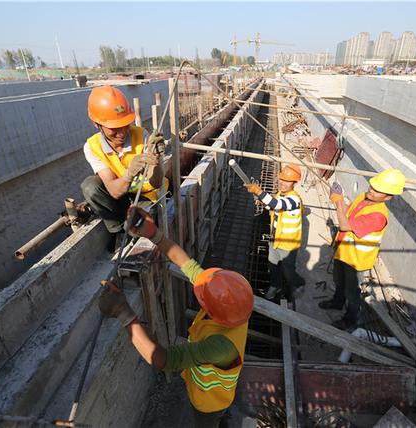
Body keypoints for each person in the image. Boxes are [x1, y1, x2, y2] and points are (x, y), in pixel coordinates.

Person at [98, 206, 254, 428]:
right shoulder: (236, 307)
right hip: (208, 389)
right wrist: (154, 234)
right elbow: (187, 264)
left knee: (207, 422)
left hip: (208, 404)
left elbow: (162, 360)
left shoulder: (220, 346)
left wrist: (123, 313)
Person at [318, 169, 405, 330]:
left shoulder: (378, 216)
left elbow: (344, 225)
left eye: (378, 190)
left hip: (356, 261)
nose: (371, 190)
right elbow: (347, 213)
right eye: (372, 186)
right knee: (338, 281)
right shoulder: (363, 197)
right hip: (343, 251)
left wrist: (338, 202)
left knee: (352, 292)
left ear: (388, 197)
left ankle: (350, 319)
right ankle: (337, 302)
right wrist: (340, 199)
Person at [81, 85, 167, 239]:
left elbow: (156, 183)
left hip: (144, 196)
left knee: (147, 217)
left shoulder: (142, 136)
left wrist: (156, 161)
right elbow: (114, 191)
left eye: (125, 125)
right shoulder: (92, 147)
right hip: (120, 194)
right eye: (114, 128)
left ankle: (132, 230)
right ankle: (119, 231)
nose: (121, 133)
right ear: (96, 123)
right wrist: (130, 173)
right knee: (90, 186)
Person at [245, 164, 305, 300]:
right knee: (272, 266)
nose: (283, 183)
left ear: (294, 183)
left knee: (288, 270)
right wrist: (258, 195)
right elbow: (271, 205)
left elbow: (277, 205)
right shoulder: (279, 194)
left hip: (288, 244)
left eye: (288, 181)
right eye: (282, 179)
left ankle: (298, 284)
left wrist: (260, 192)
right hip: (275, 239)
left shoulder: (294, 200)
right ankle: (275, 285)